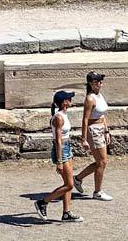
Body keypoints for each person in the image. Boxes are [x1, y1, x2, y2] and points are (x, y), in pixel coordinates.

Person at [34, 90, 83, 223]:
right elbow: (58, 141)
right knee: (69, 185)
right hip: (61, 150)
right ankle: (43, 202)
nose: (71, 100)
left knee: (68, 183)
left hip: (67, 148)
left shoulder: (63, 115)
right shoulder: (58, 118)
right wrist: (60, 161)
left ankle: (66, 213)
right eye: (69, 98)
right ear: (64, 102)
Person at [73, 72, 113, 201]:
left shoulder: (99, 95)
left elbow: (102, 115)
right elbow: (85, 120)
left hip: (101, 129)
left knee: (100, 162)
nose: (100, 84)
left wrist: (106, 130)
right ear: (91, 83)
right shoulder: (90, 99)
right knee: (102, 162)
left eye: (100, 81)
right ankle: (97, 191)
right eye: (97, 82)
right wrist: (83, 139)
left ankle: (78, 178)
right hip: (93, 130)